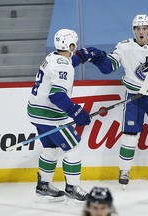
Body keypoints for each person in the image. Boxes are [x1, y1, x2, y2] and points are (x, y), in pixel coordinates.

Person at [76, 14, 148, 187]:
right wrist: (99, 59)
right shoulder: (124, 47)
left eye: (144, 28)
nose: (141, 32)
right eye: (138, 29)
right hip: (135, 98)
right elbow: (109, 67)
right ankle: (124, 171)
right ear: (133, 30)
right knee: (130, 136)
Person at [28, 29, 92, 202]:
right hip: (50, 115)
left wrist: (82, 57)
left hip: (35, 111)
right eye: (74, 45)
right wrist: (75, 111)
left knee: (50, 149)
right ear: (70, 45)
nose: (75, 47)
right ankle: (72, 188)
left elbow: (66, 64)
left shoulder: (52, 57)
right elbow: (56, 95)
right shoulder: (63, 65)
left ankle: (43, 186)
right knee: (73, 147)